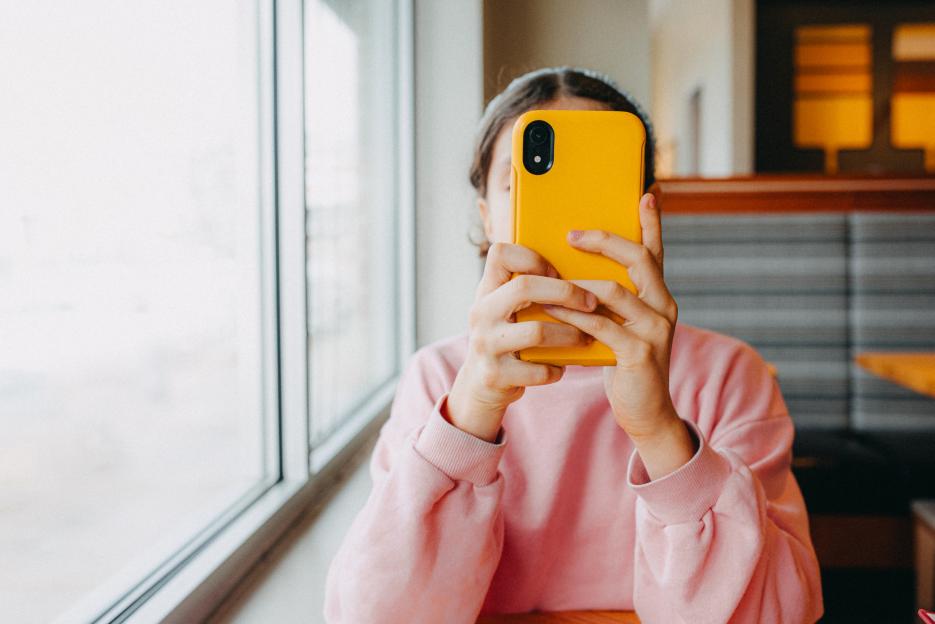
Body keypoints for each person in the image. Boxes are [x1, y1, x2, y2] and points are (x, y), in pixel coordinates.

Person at [323, 67, 823, 623]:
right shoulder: (439, 378)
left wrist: (660, 431)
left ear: (647, 211)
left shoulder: (730, 374)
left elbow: (782, 614)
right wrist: (469, 417)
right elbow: (371, 615)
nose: (568, 222)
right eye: (525, 184)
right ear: (488, 220)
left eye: (596, 182)